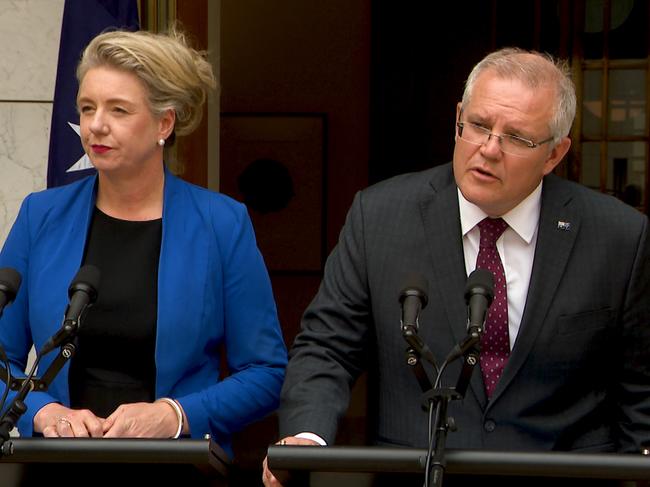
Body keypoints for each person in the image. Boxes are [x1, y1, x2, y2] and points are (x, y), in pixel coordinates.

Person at [263, 47, 650, 486]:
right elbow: (327, 347)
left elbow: (640, 388)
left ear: (555, 154)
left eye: (517, 138)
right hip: (420, 474)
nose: (489, 149)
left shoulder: (618, 236)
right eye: (479, 126)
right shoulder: (381, 216)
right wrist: (307, 437)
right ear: (458, 118)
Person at [0, 27, 287, 472]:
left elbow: (267, 374)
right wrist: (40, 411)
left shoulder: (221, 223)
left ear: (164, 124)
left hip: (178, 466)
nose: (96, 124)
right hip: (55, 466)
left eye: (118, 110)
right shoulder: (41, 216)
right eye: (87, 108)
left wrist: (175, 415)